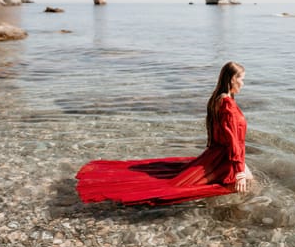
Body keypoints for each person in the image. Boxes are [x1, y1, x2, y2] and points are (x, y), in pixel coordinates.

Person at [75, 61, 252, 205]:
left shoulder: (217, 100)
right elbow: (233, 141)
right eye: (241, 79)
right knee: (246, 185)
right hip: (223, 158)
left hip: (216, 155)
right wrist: (238, 171)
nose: (243, 84)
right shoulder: (227, 106)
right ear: (232, 80)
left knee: (196, 183)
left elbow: (219, 135)